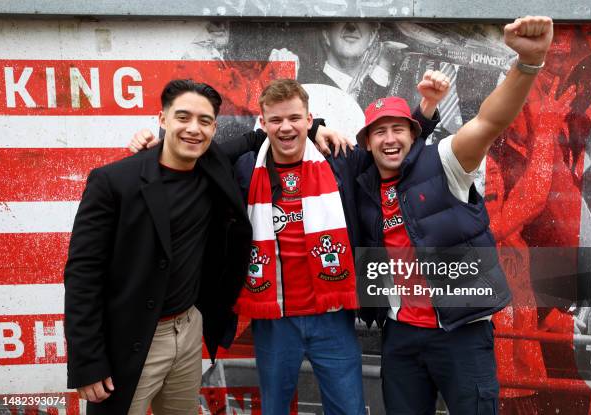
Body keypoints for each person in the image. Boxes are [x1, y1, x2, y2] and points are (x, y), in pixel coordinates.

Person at [129, 76, 443, 414]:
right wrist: (153, 150)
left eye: (295, 118)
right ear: (263, 124)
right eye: (276, 120)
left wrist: (425, 111)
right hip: (274, 317)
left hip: (332, 315)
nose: (286, 128)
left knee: (348, 409)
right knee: (276, 409)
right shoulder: (244, 169)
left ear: (309, 120)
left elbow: (392, 149)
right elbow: (194, 160)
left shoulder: (338, 159)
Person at [354, 15, 554, 414]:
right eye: (379, 131)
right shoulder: (363, 190)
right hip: (401, 337)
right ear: (367, 142)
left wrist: (529, 63)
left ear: (415, 134)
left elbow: (489, 121)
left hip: (460, 333)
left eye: (398, 129)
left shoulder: (444, 161)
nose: (389, 138)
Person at [64, 79, 254, 414]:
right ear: (162, 119)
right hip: (131, 337)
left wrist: (318, 130)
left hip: (188, 328)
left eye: (205, 121)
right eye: (183, 117)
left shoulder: (213, 165)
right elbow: (83, 274)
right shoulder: (114, 182)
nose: (194, 129)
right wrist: (87, 361)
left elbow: (256, 137)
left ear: (213, 128)